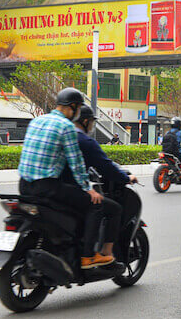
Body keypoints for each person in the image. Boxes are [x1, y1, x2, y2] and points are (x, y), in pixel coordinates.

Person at [17, 88, 112, 269]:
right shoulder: (66, 126)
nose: (77, 114)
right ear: (73, 107)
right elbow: (75, 162)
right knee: (96, 204)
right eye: (77, 109)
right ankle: (88, 256)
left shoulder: (37, 121)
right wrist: (88, 189)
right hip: (46, 187)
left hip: (23, 186)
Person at [61, 105, 136, 263]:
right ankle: (100, 254)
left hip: (53, 188)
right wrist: (126, 178)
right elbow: (106, 166)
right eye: (92, 123)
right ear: (86, 121)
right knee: (112, 208)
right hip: (72, 190)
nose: (92, 127)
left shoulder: (63, 135)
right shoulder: (85, 141)